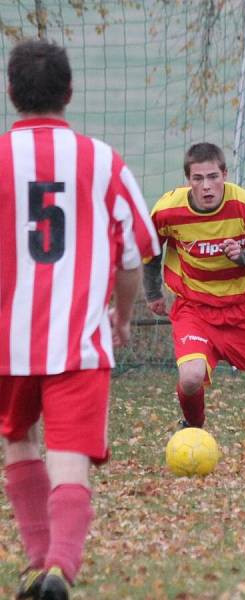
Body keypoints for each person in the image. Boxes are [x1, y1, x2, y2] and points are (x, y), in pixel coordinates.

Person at [0, 40, 160, 600]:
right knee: (71, 462)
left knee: (19, 441)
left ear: (11, 93)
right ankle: (60, 570)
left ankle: (38, 561)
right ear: (69, 94)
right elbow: (134, 253)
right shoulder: (102, 161)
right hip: (80, 339)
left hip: (5, 344)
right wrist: (121, 315)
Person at [143, 142, 245, 473]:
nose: (206, 186)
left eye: (212, 177)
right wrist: (153, 293)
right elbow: (150, 250)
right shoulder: (168, 209)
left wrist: (241, 256)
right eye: (198, 178)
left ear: (225, 174)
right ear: (187, 180)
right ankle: (193, 430)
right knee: (191, 377)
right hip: (195, 308)